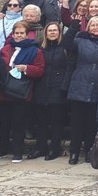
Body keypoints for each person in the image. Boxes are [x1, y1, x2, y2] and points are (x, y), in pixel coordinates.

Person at [0, 20, 45, 162]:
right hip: (4, 91)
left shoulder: (35, 51)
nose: (19, 35)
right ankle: (2, 148)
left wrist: (26, 68)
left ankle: (17, 151)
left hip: (21, 92)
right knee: (3, 123)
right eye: (16, 33)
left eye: (22, 33)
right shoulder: (6, 49)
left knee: (18, 123)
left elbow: (40, 70)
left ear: (27, 35)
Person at [65, 15, 98, 165]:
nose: (95, 27)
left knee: (92, 123)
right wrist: (73, 26)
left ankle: (89, 150)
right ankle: (74, 152)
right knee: (76, 122)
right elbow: (66, 44)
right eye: (92, 25)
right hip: (80, 81)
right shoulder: (80, 40)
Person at [32, 22, 70, 160]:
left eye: (55, 30)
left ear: (59, 33)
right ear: (45, 33)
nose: (52, 33)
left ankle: (55, 149)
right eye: (50, 31)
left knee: (56, 122)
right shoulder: (40, 49)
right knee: (40, 121)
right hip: (42, 88)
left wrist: (64, 86)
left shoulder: (64, 49)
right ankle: (40, 148)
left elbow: (68, 68)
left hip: (58, 89)